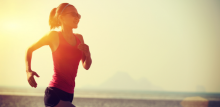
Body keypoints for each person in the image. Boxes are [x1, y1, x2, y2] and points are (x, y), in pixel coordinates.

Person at [25, 3, 92, 107]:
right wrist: (28, 71)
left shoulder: (80, 38)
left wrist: (88, 54)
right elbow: (29, 49)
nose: (77, 18)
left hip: (69, 94)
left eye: (78, 15)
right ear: (61, 17)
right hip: (55, 93)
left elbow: (86, 66)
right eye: (73, 14)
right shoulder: (53, 36)